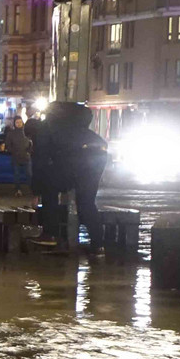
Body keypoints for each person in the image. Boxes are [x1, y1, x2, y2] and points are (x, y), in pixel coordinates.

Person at [68, 106, 109, 251]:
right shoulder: (92, 138)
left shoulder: (75, 136)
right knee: (86, 204)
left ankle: (95, 242)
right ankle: (96, 241)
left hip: (84, 178)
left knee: (85, 205)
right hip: (88, 178)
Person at [3, 115, 32, 197]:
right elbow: (8, 145)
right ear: (14, 124)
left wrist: (29, 152)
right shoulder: (11, 134)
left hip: (26, 157)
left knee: (29, 174)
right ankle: (18, 190)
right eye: (17, 122)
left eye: (20, 122)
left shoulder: (27, 132)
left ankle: (31, 189)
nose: (19, 124)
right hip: (16, 157)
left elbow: (31, 143)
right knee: (17, 175)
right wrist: (12, 151)